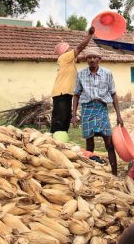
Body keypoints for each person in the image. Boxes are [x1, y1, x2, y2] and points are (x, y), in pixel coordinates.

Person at [71, 47, 124, 176]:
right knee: (89, 144)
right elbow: (76, 95)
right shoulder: (81, 74)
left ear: (100, 59)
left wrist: (119, 115)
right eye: (89, 57)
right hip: (87, 109)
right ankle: (92, 173)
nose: (92, 60)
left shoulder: (107, 73)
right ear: (86, 59)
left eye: (95, 57)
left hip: (101, 109)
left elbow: (113, 94)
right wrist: (73, 115)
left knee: (109, 143)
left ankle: (115, 174)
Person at [50, 26, 95, 133]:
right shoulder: (64, 57)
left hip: (65, 94)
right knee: (59, 120)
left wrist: (93, 54)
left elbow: (82, 57)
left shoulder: (69, 61)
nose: (71, 50)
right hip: (61, 93)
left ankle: (61, 139)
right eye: (69, 49)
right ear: (65, 51)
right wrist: (89, 34)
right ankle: (55, 140)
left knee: (65, 119)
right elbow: (80, 48)